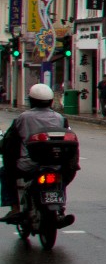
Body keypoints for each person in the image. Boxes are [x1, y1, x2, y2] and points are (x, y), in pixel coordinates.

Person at [2, 83, 69, 222]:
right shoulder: (60, 118)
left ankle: (15, 208)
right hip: (57, 165)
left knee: (4, 173)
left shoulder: (23, 118)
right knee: (61, 180)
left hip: (28, 165)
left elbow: (10, 140)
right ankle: (61, 208)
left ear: (31, 100)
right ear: (51, 101)